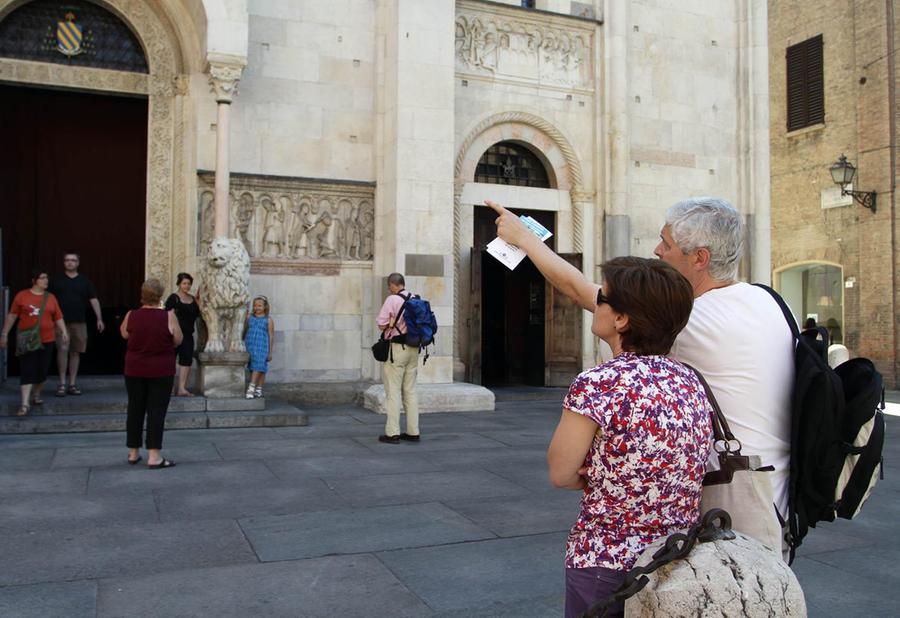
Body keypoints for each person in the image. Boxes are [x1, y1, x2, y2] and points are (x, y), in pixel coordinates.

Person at [487, 197, 793, 557]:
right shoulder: (769, 301)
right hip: (775, 505)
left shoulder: (690, 321)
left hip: (728, 514)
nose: (657, 251)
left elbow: (581, 291)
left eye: (667, 243)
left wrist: (524, 238)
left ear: (700, 258)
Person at [547, 257, 712, 618]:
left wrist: (600, 474)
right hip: (676, 557)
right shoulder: (690, 380)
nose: (596, 304)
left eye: (602, 298)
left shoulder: (598, 384)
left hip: (606, 561)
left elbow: (561, 472)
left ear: (621, 319)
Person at [120, 279, 182, 469]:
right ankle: (154, 456)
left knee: (135, 409)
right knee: (156, 411)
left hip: (134, 369)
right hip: (161, 370)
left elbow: (124, 334)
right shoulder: (169, 316)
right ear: (160, 295)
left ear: (142, 295)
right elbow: (178, 340)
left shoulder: (131, 315)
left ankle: (133, 452)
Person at [0, 269, 68, 416]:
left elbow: (58, 316)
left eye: (47, 278)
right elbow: (12, 316)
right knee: (27, 369)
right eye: (42, 278)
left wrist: (64, 331)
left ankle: (36, 394)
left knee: (42, 370)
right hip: (27, 339)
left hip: (47, 339)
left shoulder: (51, 297)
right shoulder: (22, 296)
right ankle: (24, 403)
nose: (46, 280)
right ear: (34, 280)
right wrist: (4, 334)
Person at [50, 252, 104, 397]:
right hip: (60, 323)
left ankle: (72, 384)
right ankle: (62, 384)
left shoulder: (85, 281)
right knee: (62, 350)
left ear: (78, 263)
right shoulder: (56, 281)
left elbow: (93, 299)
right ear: (63, 262)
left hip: (79, 322)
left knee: (76, 352)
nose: (70, 262)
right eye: (67, 260)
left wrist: (99, 318)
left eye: (73, 260)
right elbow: (48, 301)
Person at [375, 273, 420, 444]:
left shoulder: (392, 299)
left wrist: (390, 324)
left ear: (393, 284)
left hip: (397, 349)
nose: (389, 289)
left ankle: (392, 433)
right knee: (410, 391)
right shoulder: (415, 298)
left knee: (393, 391)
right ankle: (413, 432)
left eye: (389, 286)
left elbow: (381, 324)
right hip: (414, 348)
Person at [164, 273, 201, 396]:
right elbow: (167, 315)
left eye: (189, 284)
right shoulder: (173, 298)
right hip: (174, 335)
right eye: (184, 283)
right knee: (170, 361)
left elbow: (200, 315)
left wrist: (199, 302)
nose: (187, 286)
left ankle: (181, 388)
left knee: (186, 360)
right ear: (179, 284)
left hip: (188, 335)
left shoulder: (193, 300)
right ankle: (169, 388)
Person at [244, 296, 274, 399]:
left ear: (265, 306)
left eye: (259, 305)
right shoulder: (250, 317)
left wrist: (270, 352)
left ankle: (251, 388)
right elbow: (244, 328)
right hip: (251, 344)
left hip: (262, 346)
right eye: (255, 305)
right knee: (257, 368)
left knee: (259, 366)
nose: (257, 308)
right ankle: (259, 389)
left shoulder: (268, 320)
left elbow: (271, 336)